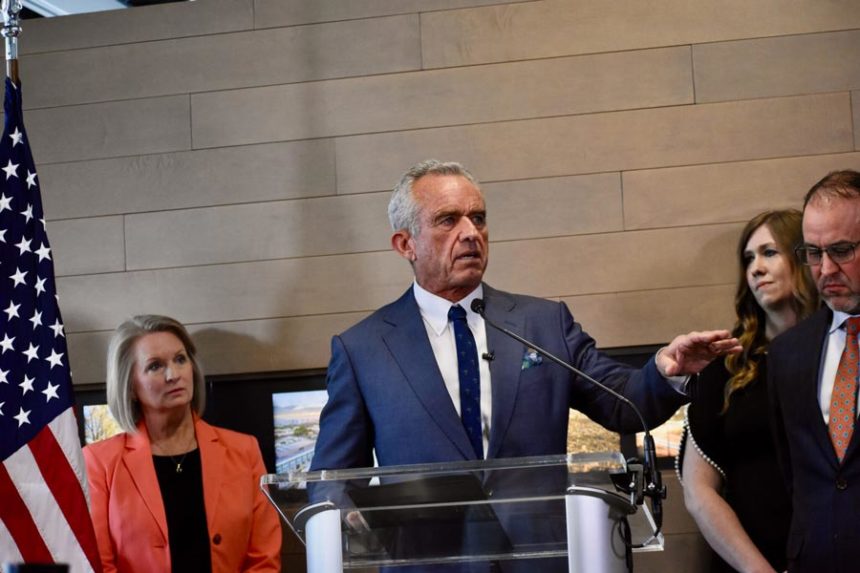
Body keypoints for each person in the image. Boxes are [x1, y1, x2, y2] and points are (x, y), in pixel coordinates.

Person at [310, 158, 739, 470]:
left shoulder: (542, 324)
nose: (471, 233)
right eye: (448, 220)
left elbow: (622, 404)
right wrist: (348, 522)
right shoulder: (363, 350)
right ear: (406, 244)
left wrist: (666, 370)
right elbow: (331, 479)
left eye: (478, 218)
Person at [83, 315, 281, 573]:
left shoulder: (243, 450)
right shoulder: (100, 462)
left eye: (180, 359)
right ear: (130, 386)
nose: (173, 375)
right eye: (155, 366)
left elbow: (264, 560)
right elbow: (99, 564)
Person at [678, 210, 817, 572]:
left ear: (803, 257)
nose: (755, 268)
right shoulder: (724, 364)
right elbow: (698, 491)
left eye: (770, 253)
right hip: (746, 562)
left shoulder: (841, 353)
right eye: (748, 258)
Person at [768, 169, 860, 572]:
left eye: (841, 250)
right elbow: (792, 474)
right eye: (812, 252)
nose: (825, 269)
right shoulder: (788, 352)